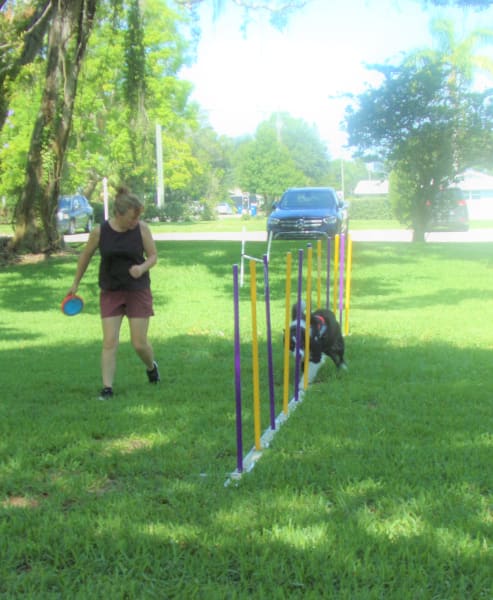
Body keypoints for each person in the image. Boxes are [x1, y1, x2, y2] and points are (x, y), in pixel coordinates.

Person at [68, 186, 160, 400]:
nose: (134, 222)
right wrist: (75, 283)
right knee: (109, 341)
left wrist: (141, 268)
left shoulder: (142, 229)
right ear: (118, 214)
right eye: (131, 218)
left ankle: (151, 366)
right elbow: (85, 256)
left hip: (137, 290)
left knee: (139, 343)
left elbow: (153, 256)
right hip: (111, 290)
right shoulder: (100, 232)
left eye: (137, 218)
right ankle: (107, 388)